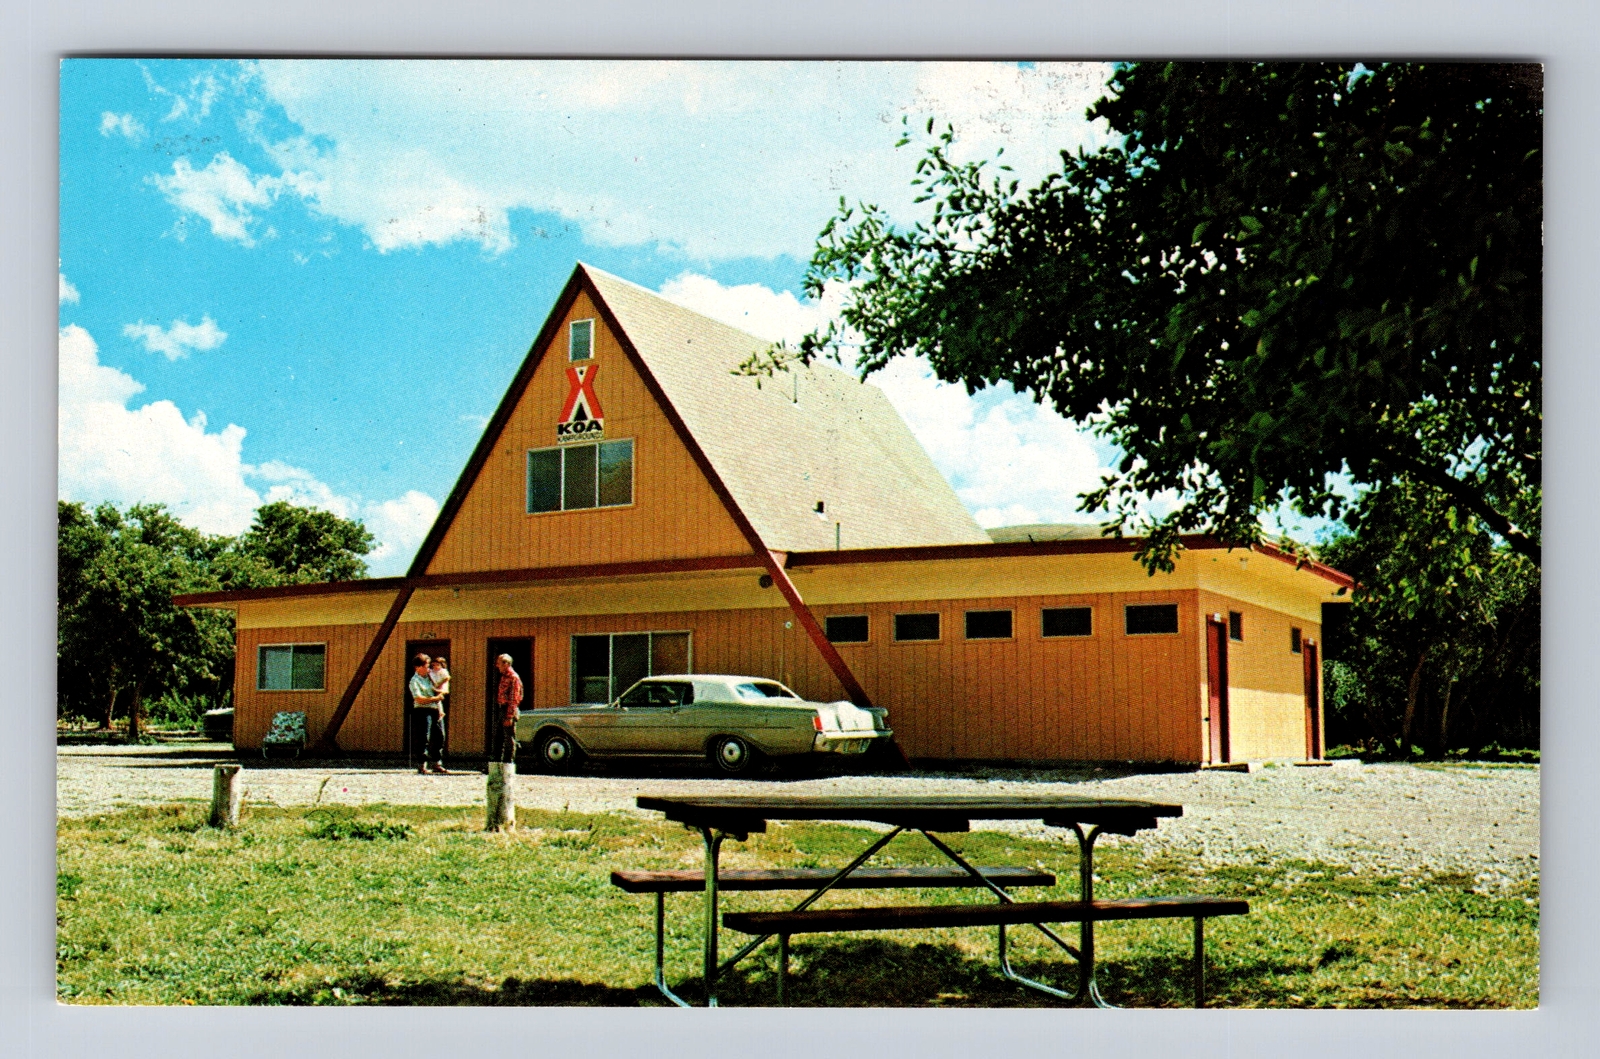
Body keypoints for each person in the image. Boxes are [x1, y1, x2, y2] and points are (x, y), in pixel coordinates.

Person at [409, 653, 447, 774]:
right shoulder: (414, 681)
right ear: (418, 667)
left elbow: (443, 680)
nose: (428, 668)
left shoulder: (431, 677)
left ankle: (437, 762)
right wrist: (435, 699)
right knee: (424, 737)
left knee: (439, 736)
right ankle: (422, 764)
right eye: (426, 666)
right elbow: (418, 698)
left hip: (436, 709)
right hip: (422, 710)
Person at [494, 653, 524, 763]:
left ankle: (508, 763)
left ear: (506, 664)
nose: (497, 665)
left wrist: (509, 716)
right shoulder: (503, 676)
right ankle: (496, 763)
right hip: (502, 708)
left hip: (508, 709)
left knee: (509, 738)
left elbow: (514, 698)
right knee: (499, 737)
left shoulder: (513, 677)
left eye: (499, 663)